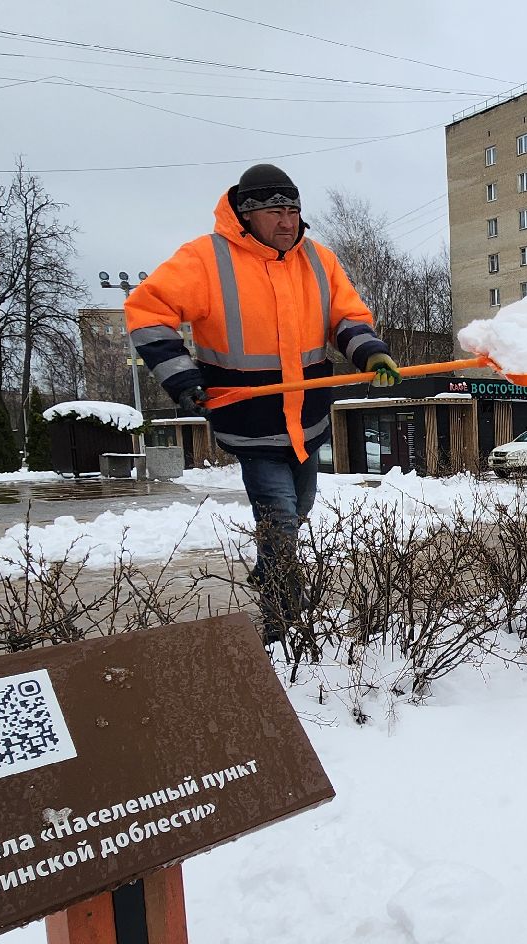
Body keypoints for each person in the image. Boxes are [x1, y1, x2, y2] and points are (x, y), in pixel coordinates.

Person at [126, 163, 401, 637]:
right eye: (276, 210)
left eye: (293, 210)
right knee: (279, 518)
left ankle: (272, 565)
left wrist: (370, 352)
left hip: (308, 420)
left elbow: (347, 316)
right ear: (247, 215)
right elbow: (148, 313)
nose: (288, 221)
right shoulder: (205, 259)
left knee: (300, 505)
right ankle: (281, 619)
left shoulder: (318, 260)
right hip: (251, 419)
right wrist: (182, 377)